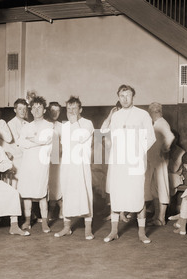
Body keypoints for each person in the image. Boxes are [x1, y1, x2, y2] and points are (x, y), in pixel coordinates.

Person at [101, 85, 156, 244]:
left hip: (135, 163)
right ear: (118, 97)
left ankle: (141, 233)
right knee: (117, 196)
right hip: (118, 163)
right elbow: (103, 132)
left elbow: (151, 138)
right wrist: (110, 116)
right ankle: (113, 232)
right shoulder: (116, 116)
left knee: (138, 196)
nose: (125, 99)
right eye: (122, 96)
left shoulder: (143, 114)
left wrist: (138, 153)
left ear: (133, 97)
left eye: (128, 95)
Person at [54, 96, 95, 240]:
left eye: (74, 108)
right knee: (67, 194)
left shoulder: (87, 123)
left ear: (80, 110)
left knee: (85, 194)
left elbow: (81, 137)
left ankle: (88, 229)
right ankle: (66, 227)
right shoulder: (64, 126)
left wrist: (74, 122)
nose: (71, 111)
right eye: (68, 109)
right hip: (67, 165)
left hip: (82, 165)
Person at [18, 96, 53, 233]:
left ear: (44, 110)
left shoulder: (49, 125)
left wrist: (32, 140)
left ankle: (44, 222)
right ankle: (27, 221)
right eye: (34, 107)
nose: (37, 110)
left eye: (40, 107)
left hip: (41, 164)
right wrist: (38, 141)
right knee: (26, 193)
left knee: (42, 193)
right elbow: (21, 143)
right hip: (28, 163)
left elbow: (47, 141)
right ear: (30, 110)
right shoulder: (26, 126)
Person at [145, 102, 175, 226]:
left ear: (154, 112)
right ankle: (157, 216)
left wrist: (165, 149)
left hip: (160, 162)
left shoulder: (162, 123)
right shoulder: (157, 123)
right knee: (154, 189)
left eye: (151, 112)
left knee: (162, 188)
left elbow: (171, 137)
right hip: (154, 162)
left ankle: (161, 218)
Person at [6, 98, 29, 188]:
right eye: (20, 109)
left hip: (25, 158)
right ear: (15, 110)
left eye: (24, 109)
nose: (23, 111)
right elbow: (17, 143)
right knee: (15, 186)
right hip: (15, 159)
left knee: (25, 186)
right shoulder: (10, 124)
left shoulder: (27, 124)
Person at [47, 101, 63, 220]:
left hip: (58, 159)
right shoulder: (45, 124)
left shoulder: (61, 126)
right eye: (52, 110)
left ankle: (61, 209)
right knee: (49, 184)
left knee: (58, 183)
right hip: (45, 159)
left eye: (57, 111)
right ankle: (50, 210)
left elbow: (64, 143)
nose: (55, 113)